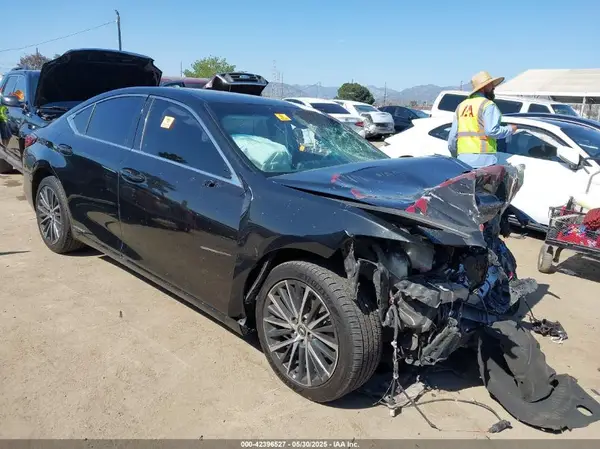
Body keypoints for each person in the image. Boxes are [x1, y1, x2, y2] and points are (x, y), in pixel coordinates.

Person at [448, 71, 517, 168]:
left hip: (463, 160)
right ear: (485, 87)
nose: (493, 87)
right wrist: (510, 129)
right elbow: (492, 131)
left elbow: (452, 137)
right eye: (491, 85)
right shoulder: (488, 105)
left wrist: (456, 155)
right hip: (484, 160)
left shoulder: (461, 106)